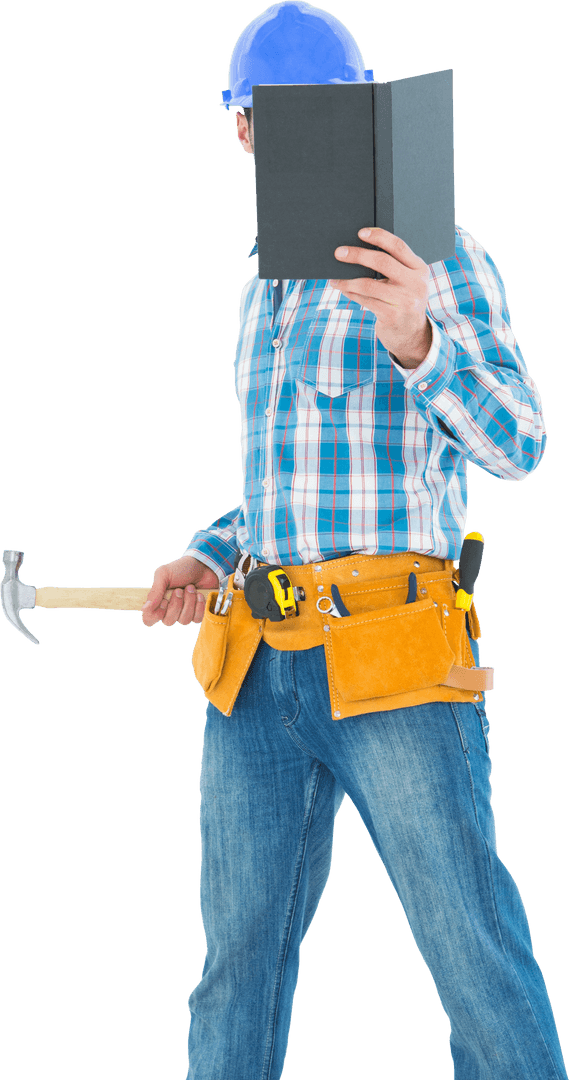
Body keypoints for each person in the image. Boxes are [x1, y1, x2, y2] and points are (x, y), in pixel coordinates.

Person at [142, 3, 567, 1077]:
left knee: (468, 945)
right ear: (242, 132)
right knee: (234, 963)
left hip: (391, 664)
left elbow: (518, 443)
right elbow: (282, 494)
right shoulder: (260, 294)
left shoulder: (436, 257)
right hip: (255, 674)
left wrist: (421, 337)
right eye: (263, 122)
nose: (282, 140)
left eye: (318, 118)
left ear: (362, 119)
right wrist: (207, 550)